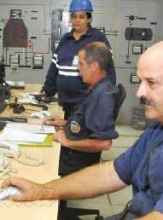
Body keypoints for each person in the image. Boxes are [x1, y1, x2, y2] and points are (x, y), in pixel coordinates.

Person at [4, 40, 163, 220]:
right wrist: (43, 190)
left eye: (151, 83)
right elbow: (112, 173)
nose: (140, 92)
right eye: (141, 81)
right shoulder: (162, 126)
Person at [44, 41, 119, 219]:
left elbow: (103, 143)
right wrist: (64, 122)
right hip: (72, 148)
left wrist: (67, 141)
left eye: (80, 64)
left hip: (75, 158)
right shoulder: (97, 87)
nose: (78, 68)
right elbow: (85, 121)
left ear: (94, 66)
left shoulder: (103, 95)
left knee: (35, 165)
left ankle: (52, 211)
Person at [42, 0, 116, 120]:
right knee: (69, 133)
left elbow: (109, 70)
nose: (77, 20)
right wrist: (46, 91)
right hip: (67, 103)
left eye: (81, 17)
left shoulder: (98, 38)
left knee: (79, 136)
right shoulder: (66, 39)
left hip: (88, 104)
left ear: (89, 19)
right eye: (74, 16)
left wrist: (107, 98)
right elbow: (54, 68)